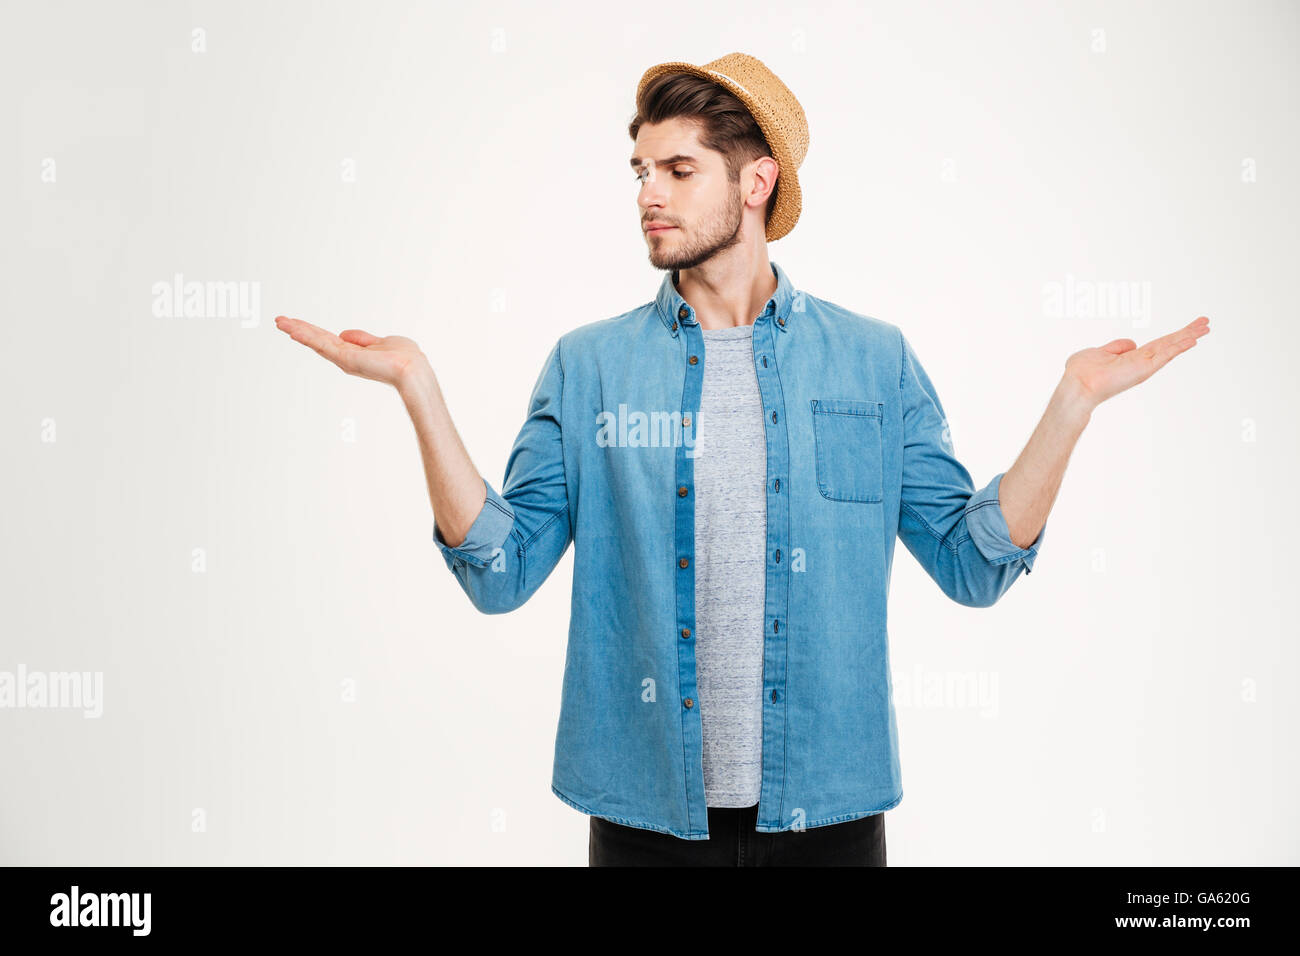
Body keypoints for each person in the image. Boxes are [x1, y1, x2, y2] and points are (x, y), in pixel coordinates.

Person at [274, 53, 1210, 866]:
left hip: (831, 827)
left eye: (679, 170)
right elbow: (499, 571)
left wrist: (1071, 407)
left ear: (755, 182)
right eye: (640, 169)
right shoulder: (590, 366)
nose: (648, 193)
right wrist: (419, 392)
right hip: (644, 825)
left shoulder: (872, 360)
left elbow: (972, 564)